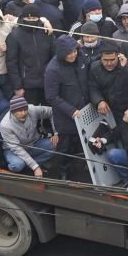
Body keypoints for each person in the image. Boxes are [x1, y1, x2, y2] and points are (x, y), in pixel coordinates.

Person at [44, 35, 89, 176]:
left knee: (80, 146)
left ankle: (77, 172)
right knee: (64, 148)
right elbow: (51, 97)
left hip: (83, 111)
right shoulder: (53, 69)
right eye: (69, 53)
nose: (73, 55)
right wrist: (71, 111)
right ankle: (58, 173)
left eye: (74, 51)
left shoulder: (80, 58)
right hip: (66, 118)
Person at [6, 3, 56, 106]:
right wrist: (18, 86)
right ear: (23, 17)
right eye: (28, 18)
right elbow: (11, 63)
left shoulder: (47, 32)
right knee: (31, 116)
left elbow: (54, 56)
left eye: (34, 18)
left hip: (47, 81)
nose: (31, 21)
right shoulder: (14, 35)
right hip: (27, 85)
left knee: (49, 113)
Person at [0, 96, 57, 177]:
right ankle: (25, 165)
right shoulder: (5, 125)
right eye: (20, 111)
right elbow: (16, 148)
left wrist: (56, 132)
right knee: (17, 165)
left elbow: (52, 111)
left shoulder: (32, 109)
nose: (24, 113)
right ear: (12, 112)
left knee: (53, 145)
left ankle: (28, 166)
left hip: (34, 144)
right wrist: (35, 167)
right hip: (14, 150)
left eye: (25, 109)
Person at [88, 43, 128, 119]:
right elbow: (92, 87)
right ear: (100, 57)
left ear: (118, 56)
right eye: (105, 60)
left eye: (112, 60)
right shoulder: (94, 68)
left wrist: (126, 68)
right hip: (108, 112)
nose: (109, 63)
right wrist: (99, 101)